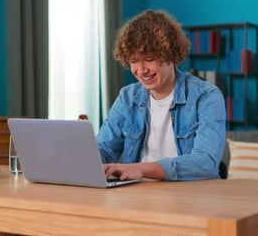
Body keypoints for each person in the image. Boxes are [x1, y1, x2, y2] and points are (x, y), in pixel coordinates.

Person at [97, 10, 226, 181]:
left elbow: (205, 163)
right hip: (135, 195)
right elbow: (104, 150)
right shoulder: (127, 97)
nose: (141, 70)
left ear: (170, 55)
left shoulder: (206, 96)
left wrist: (140, 169)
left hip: (191, 197)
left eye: (149, 59)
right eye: (134, 61)